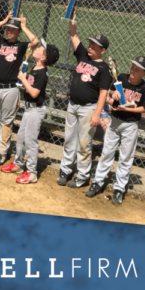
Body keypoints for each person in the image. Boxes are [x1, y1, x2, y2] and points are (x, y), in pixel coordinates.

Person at [86, 56, 145, 205]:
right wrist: (112, 93)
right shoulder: (121, 77)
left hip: (130, 125)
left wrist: (127, 108)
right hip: (114, 122)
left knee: (125, 157)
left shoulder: (144, 88)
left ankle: (119, 188)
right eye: (133, 67)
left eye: (137, 69)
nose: (133, 70)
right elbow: (111, 91)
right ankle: (98, 182)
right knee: (106, 152)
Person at [58, 21, 112, 189]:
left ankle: (82, 176)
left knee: (84, 143)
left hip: (88, 108)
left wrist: (97, 113)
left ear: (102, 50)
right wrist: (71, 20)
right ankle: (65, 170)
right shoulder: (83, 56)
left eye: (95, 46)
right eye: (90, 44)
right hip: (72, 105)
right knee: (69, 139)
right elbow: (73, 35)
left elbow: (103, 92)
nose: (90, 47)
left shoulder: (104, 69)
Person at [0, 14, 39, 166]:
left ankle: (2, 152)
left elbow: (35, 41)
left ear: (19, 32)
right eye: (8, 29)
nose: (9, 32)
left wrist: (24, 26)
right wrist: (3, 21)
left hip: (11, 88)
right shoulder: (0, 41)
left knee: (6, 122)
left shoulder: (21, 46)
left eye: (13, 30)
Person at [0, 40, 61, 183]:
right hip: (28, 110)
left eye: (41, 48)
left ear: (43, 57)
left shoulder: (43, 73)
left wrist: (23, 79)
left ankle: (32, 172)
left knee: (30, 141)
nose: (38, 48)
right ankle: (19, 164)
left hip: (35, 111)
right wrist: (25, 75)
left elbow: (34, 93)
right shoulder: (35, 68)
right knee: (20, 138)